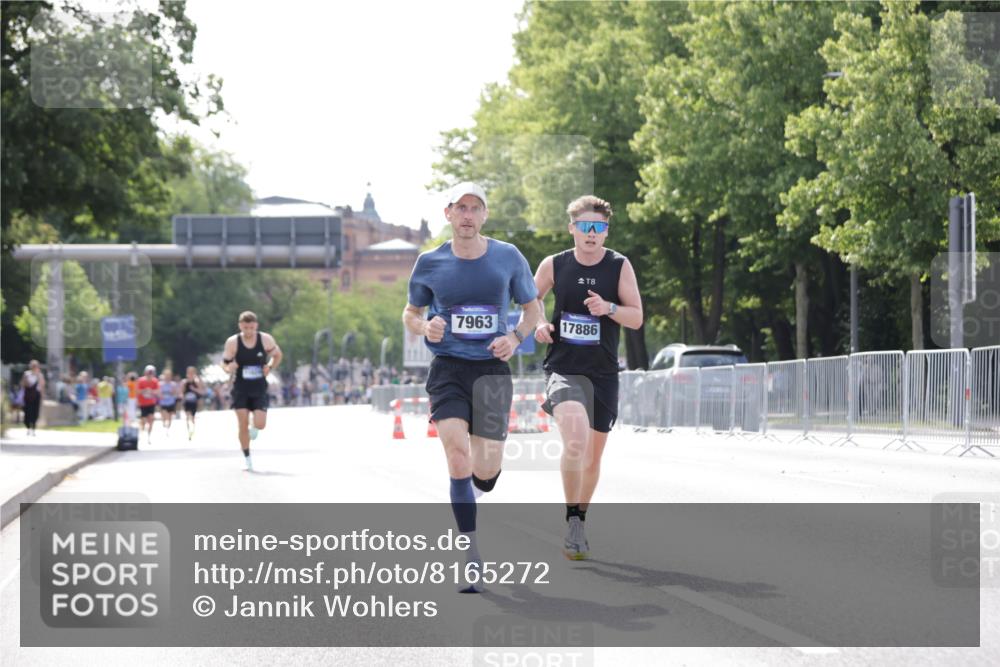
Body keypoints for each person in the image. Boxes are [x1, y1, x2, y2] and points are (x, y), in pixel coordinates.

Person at [402, 181, 541, 592]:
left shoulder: (507, 257)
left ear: (484, 215)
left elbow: (533, 309)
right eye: (459, 207)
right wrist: (425, 325)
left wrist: (515, 338)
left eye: (474, 207)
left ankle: (471, 494)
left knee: (487, 467)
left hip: (492, 371)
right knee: (456, 453)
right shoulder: (429, 262)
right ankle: (470, 554)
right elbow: (411, 312)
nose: (466, 214)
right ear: (448, 214)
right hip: (447, 368)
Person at [533, 195, 643, 560]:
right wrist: (539, 324)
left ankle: (580, 517)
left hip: (603, 372)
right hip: (564, 367)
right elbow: (529, 301)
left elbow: (636, 317)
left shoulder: (619, 266)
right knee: (576, 439)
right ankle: (571, 519)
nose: (591, 233)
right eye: (585, 226)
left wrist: (609, 308)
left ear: (606, 230)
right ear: (572, 228)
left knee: (593, 460)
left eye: (598, 227)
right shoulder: (554, 264)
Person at [221, 311, 283, 472]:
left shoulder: (265, 339)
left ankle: (254, 426)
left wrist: (269, 367)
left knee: (261, 424)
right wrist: (229, 368)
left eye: (251, 327)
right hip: (240, 387)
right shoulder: (233, 342)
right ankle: (247, 458)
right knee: (242, 423)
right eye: (245, 327)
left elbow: (277, 355)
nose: (248, 331)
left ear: (256, 326)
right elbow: (225, 364)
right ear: (240, 326)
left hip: (259, 386)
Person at [136, 365, 161, 443]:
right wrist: (144, 390)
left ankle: (149, 436)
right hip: (143, 403)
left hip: (151, 403)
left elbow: (158, 392)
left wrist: (151, 391)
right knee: (143, 420)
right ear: (145, 372)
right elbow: (137, 392)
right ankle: (142, 432)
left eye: (151, 373)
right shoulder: (140, 381)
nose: (150, 374)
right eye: (148, 373)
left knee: (151, 419)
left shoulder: (155, 381)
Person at [20, 360, 45, 436]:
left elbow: (42, 385)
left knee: (35, 412)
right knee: (27, 412)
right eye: (33, 366)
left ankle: (33, 428)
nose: (35, 368)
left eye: (36, 366)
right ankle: (28, 427)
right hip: (28, 396)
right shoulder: (26, 374)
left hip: (36, 396)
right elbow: (23, 384)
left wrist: (37, 376)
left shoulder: (40, 375)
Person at [181, 366, 205, 440]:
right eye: (189, 373)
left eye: (192, 373)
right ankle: (189, 432)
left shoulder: (196, 382)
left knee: (193, 418)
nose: (190, 374)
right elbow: (182, 392)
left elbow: (201, 391)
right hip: (187, 402)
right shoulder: (185, 382)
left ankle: (193, 430)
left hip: (194, 402)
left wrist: (194, 389)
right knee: (187, 416)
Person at [158, 369, 179, 435]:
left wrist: (173, 392)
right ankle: (164, 422)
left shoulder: (173, 384)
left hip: (171, 402)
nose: (167, 377)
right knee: (164, 414)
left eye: (168, 375)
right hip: (163, 402)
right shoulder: (160, 384)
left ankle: (168, 428)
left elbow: (176, 393)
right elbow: (158, 392)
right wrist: (160, 395)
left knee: (170, 416)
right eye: (166, 375)